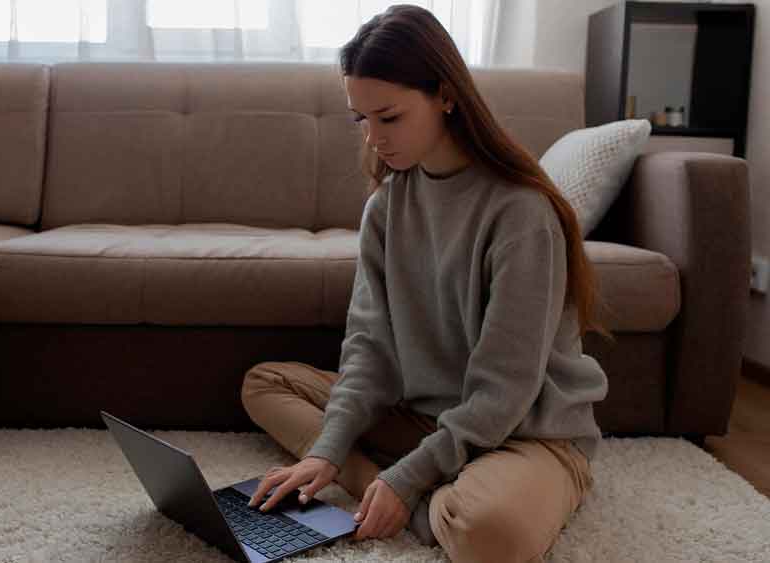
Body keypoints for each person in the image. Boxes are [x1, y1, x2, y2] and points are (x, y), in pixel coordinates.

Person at [239, 5, 612, 562]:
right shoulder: (387, 207)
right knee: (265, 384)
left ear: (445, 95)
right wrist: (325, 453)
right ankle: (378, 482)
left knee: (489, 535)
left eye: (388, 117)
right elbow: (368, 347)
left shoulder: (521, 213)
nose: (373, 138)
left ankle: (384, 488)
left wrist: (405, 478)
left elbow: (503, 391)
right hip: (423, 418)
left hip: (526, 433)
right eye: (359, 119)